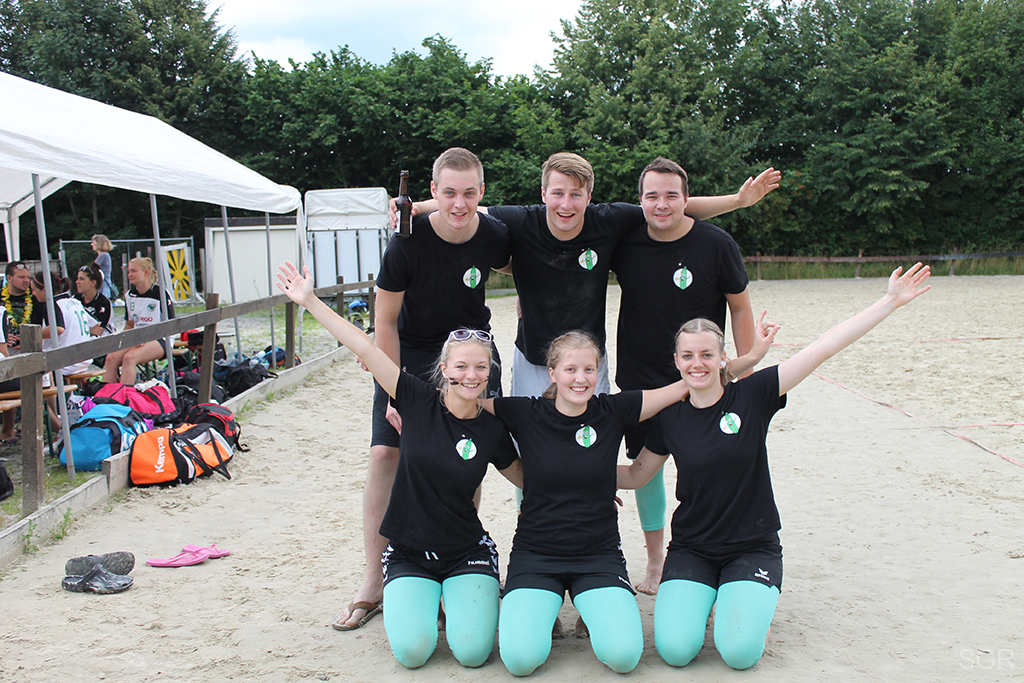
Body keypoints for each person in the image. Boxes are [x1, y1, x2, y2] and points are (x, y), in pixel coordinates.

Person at [618, 263, 932, 670]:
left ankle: (748, 607)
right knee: (676, 651)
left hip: (751, 547)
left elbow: (822, 348)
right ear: (676, 361)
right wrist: (568, 472)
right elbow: (638, 474)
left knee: (738, 653)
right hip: (693, 548)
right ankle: (713, 597)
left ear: (722, 357)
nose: (698, 363)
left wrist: (888, 301)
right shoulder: (669, 417)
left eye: (707, 354)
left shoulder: (754, 394)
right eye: (688, 355)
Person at [481, 325, 774, 675]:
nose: (580, 378)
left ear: (598, 372)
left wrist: (749, 358)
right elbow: (466, 403)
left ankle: (747, 611)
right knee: (520, 660)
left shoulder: (614, 409)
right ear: (553, 373)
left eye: (589, 369)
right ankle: (537, 616)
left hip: (598, 556)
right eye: (570, 369)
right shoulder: (523, 412)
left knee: (624, 657)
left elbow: (691, 381)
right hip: (536, 555)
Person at [277, 260, 523, 668]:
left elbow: (526, 478)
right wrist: (309, 301)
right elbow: (366, 347)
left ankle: (461, 595)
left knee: (472, 653)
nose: (471, 375)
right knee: (412, 653)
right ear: (443, 370)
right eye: (461, 366)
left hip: (466, 552)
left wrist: (591, 487)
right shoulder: (416, 399)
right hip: (410, 552)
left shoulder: (492, 428)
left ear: (489, 373)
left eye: (480, 367)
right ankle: (406, 592)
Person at [399, 152, 779, 398]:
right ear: (543, 193)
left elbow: (672, 208)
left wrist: (737, 200)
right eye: (558, 193)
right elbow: (465, 205)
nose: (566, 204)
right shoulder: (521, 220)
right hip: (532, 356)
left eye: (576, 195)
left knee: (593, 448)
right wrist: (414, 208)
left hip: (589, 361)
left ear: (589, 197)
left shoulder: (609, 221)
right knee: (528, 446)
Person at [333, 147, 513, 631]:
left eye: (469, 193)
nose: (459, 203)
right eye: (448, 193)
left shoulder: (494, 234)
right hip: (409, 352)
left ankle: (457, 561)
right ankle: (373, 579)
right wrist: (396, 396)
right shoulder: (405, 244)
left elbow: (524, 262)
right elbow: (385, 322)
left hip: (471, 353)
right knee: (384, 455)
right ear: (433, 190)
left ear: (481, 192)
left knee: (467, 455)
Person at [611, 157, 757, 594]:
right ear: (640, 201)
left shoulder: (716, 243)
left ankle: (720, 554)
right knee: (646, 471)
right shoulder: (625, 240)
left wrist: (747, 370)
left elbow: (740, 307)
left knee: (713, 467)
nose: (662, 204)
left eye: (671, 195)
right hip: (642, 379)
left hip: (703, 378)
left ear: (687, 199)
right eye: (652, 195)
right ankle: (657, 559)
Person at [29, 270, 98, 430]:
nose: (32, 293)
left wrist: (31, 335)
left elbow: (58, 329)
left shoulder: (53, 304)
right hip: (83, 358)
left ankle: (57, 425)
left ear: (45, 289)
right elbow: (95, 325)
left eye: (34, 290)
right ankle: (59, 421)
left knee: (37, 375)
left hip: (66, 363)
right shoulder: (73, 301)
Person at [101, 257, 174, 386]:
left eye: (133, 271)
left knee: (129, 358)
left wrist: (147, 338)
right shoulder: (129, 295)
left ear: (145, 272)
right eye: (129, 271)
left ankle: (126, 394)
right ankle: (108, 394)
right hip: (137, 338)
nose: (130, 275)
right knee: (111, 358)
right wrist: (123, 340)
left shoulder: (160, 293)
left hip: (160, 338)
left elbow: (170, 325)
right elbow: (130, 324)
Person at [1, 261, 32, 440]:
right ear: (9, 278)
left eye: (28, 277)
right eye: (21, 277)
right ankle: (8, 430)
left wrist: (27, 337)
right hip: (7, 353)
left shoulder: (34, 298)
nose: (26, 281)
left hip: (30, 352)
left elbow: (54, 328)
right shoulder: (1, 302)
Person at [74, 264, 115, 336]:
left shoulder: (103, 303)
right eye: (77, 278)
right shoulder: (74, 300)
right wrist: (90, 330)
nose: (77, 282)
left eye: (81, 279)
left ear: (93, 283)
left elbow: (99, 330)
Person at [91, 234, 116, 299]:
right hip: (104, 285)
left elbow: (92, 268)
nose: (92, 244)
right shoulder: (104, 255)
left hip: (103, 285)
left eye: (93, 242)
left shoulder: (103, 255)